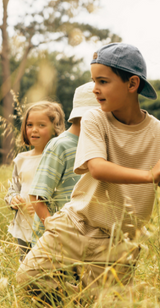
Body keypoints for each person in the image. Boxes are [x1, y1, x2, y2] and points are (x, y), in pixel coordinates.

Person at [16, 43, 160, 300]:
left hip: (119, 241)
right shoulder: (94, 118)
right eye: (93, 81)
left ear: (132, 84)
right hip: (76, 224)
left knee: (98, 301)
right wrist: (148, 175)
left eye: (103, 81)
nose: (95, 88)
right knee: (27, 280)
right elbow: (97, 168)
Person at [28, 82, 100, 247]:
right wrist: (53, 229)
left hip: (81, 240)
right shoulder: (60, 146)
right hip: (53, 242)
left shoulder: (96, 145)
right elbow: (36, 196)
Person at [4, 101, 65, 260]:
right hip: (24, 227)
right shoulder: (21, 159)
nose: (34, 130)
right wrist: (13, 200)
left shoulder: (57, 158)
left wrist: (45, 208)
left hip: (48, 226)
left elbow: (63, 193)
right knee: (25, 268)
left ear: (55, 128)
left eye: (41, 125)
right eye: (29, 124)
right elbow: (13, 189)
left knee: (50, 266)